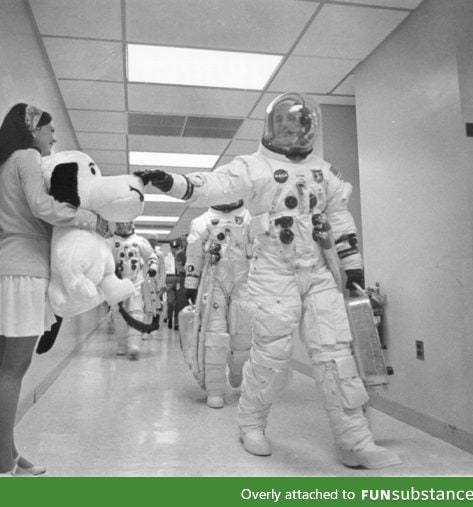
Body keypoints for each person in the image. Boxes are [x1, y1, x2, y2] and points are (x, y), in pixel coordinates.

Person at [136, 93, 401, 469]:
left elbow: (340, 219)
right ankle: (251, 423)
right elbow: (213, 185)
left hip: (318, 272)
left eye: (300, 127)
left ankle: (355, 441)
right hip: (272, 272)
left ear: (310, 130)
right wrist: (172, 182)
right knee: (272, 355)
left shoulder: (324, 172)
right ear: (272, 128)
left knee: (335, 355)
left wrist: (352, 263)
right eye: (286, 127)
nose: (293, 134)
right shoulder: (254, 167)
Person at [0, 103, 100, 476]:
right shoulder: (27, 156)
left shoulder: (6, 164)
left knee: (9, 368)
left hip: (9, 269)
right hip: (24, 273)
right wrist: (84, 217)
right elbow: (41, 205)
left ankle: (8, 452)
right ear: (32, 130)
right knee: (13, 369)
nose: (54, 138)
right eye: (49, 130)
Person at [184, 201, 253, 408]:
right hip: (214, 282)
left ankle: (237, 368)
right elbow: (194, 253)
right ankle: (215, 390)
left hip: (244, 282)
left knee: (243, 334)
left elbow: (264, 250)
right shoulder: (202, 222)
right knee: (213, 335)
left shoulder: (250, 219)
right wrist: (191, 280)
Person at [108, 221, 159, 359]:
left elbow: (151, 256)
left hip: (136, 281)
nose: (124, 224)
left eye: (127, 221)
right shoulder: (110, 242)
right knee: (118, 314)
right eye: (121, 222)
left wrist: (153, 267)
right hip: (116, 282)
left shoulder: (140, 241)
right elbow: (102, 260)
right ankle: (122, 344)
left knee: (136, 310)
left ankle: (134, 344)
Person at [164, 239, 180, 329]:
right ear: (171, 248)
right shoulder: (166, 258)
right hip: (170, 280)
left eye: (176, 248)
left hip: (179, 280)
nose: (175, 250)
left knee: (178, 303)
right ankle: (169, 318)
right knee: (170, 302)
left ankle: (176, 322)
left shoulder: (181, 256)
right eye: (173, 248)